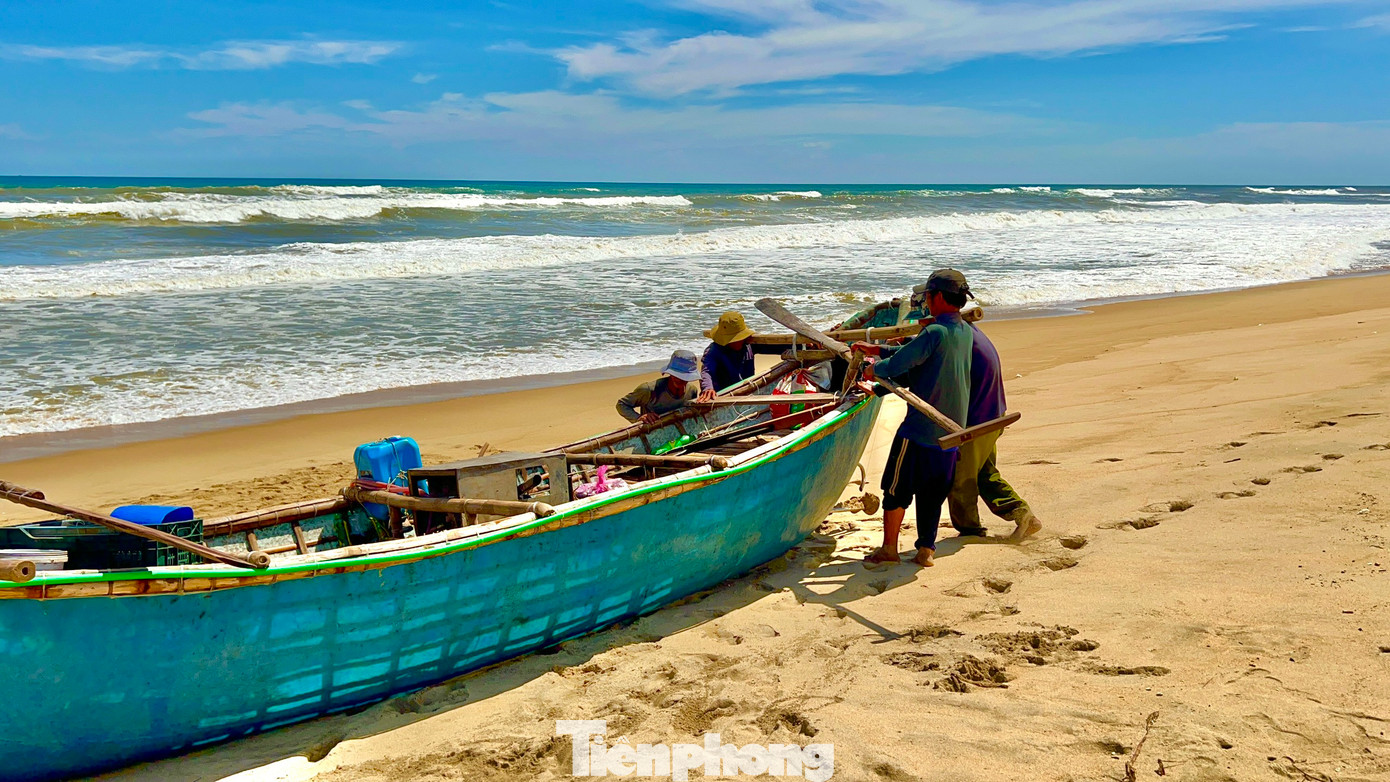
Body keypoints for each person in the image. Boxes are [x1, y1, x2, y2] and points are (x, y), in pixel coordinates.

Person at [853, 269, 974, 567]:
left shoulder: (934, 331)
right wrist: (878, 349)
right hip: (951, 432)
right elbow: (917, 357)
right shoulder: (963, 331)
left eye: (929, 296)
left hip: (920, 429)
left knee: (895, 488)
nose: (927, 302)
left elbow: (900, 364)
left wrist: (874, 368)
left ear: (939, 298)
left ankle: (890, 549)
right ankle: (925, 550)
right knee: (933, 492)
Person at [947, 322, 1043, 541]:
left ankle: (970, 532)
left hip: (978, 420)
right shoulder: (966, 330)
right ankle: (1022, 513)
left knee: (960, 479)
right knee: (984, 473)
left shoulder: (949, 334)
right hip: (994, 413)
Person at [616, 350, 701, 425]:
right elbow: (621, 405)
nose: (680, 379)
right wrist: (638, 418)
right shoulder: (649, 390)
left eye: (684, 377)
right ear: (670, 373)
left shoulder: (692, 391)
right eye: (676, 375)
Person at [697, 311, 756, 402]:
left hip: (748, 391)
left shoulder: (750, 344)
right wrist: (707, 388)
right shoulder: (714, 350)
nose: (736, 342)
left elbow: (776, 347)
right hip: (722, 394)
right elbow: (707, 371)